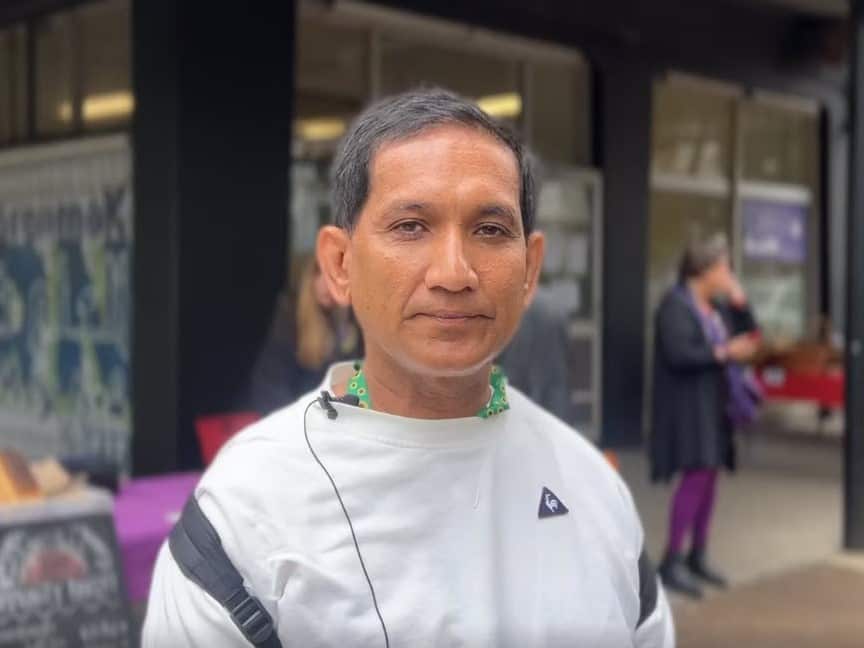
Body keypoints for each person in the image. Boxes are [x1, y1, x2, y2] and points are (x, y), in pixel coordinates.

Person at [143, 88, 674, 647]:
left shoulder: (595, 491)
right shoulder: (244, 518)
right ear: (340, 264)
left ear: (530, 268)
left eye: (490, 230)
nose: (454, 273)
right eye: (411, 226)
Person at [651, 235, 760, 599]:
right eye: (724, 268)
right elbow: (680, 354)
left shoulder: (717, 308)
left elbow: (751, 335)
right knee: (695, 477)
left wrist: (740, 302)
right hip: (688, 409)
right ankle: (671, 560)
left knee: (711, 477)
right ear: (704, 270)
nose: (729, 274)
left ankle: (698, 554)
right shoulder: (674, 306)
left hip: (716, 406)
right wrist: (725, 352)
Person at [248, 255, 360, 414]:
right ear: (310, 278)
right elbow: (270, 385)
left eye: (335, 277)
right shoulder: (289, 316)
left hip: (333, 415)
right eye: (321, 274)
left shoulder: (351, 320)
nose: (328, 285)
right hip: (293, 413)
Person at [497, 287, 573, 423]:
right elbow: (566, 351)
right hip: (554, 389)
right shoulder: (556, 305)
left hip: (518, 387)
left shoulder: (511, 304)